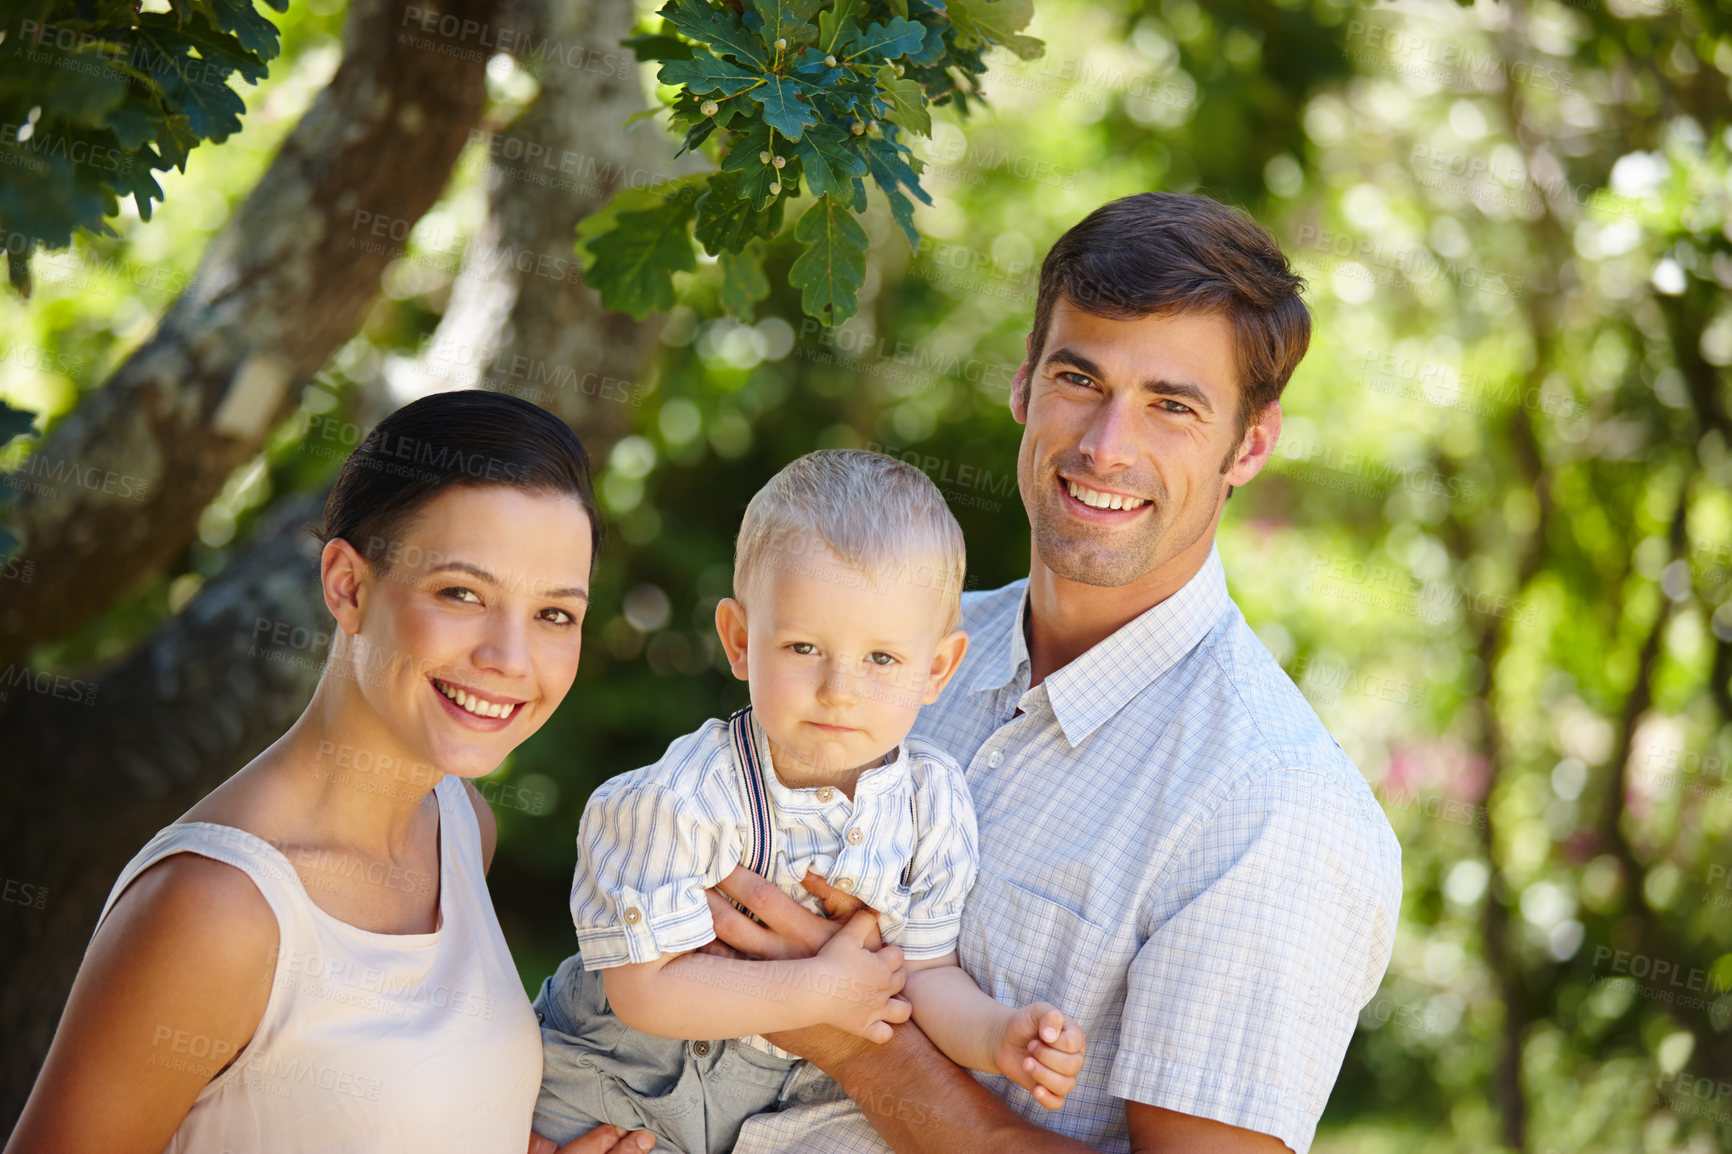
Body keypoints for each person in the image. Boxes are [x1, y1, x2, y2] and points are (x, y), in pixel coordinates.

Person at [706, 192, 1405, 1154]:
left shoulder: (1274, 810)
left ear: (1250, 443)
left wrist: (856, 1047)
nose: (1107, 447)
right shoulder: (892, 659)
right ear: (1025, 384)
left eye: (1172, 406)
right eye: (1081, 379)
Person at [5, 391, 650, 1154]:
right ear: (348, 585)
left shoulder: (459, 826)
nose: (510, 659)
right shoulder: (218, 907)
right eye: (461, 593)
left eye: (554, 614)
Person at [531, 450, 1087, 1154]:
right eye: (803, 647)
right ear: (739, 640)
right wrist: (819, 993)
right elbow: (645, 990)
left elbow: (922, 974)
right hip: (620, 1080)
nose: (839, 689)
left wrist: (995, 1036)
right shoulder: (684, 797)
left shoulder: (931, 803)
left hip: (787, 1103)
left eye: (881, 659)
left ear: (937, 670)